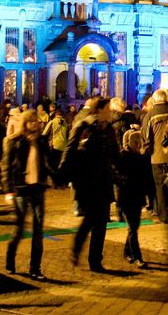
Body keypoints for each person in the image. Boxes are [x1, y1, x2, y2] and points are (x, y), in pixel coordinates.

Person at [61, 97, 119, 272]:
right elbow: (70, 149)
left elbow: (115, 153)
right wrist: (63, 173)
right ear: (99, 110)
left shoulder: (109, 129)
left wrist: (124, 170)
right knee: (91, 218)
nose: (110, 111)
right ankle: (76, 248)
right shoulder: (84, 126)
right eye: (108, 108)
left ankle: (95, 260)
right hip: (87, 179)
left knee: (101, 221)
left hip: (104, 180)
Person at [2, 109, 51, 279]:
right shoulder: (15, 141)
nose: (35, 123)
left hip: (38, 187)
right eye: (31, 121)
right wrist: (8, 190)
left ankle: (35, 268)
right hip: (21, 188)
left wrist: (55, 176)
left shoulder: (41, 141)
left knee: (38, 228)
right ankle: (10, 258)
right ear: (24, 123)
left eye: (36, 120)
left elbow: (47, 163)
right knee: (20, 228)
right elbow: (6, 167)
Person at [116, 129, 151, 268]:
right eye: (135, 141)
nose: (138, 143)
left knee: (134, 227)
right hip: (127, 197)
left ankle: (127, 251)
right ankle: (137, 256)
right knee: (132, 228)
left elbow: (146, 178)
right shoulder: (123, 157)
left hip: (137, 196)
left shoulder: (140, 158)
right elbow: (116, 175)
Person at [142, 89, 168, 221]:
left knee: (159, 186)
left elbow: (146, 136)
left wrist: (148, 151)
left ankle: (163, 215)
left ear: (154, 99)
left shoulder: (150, 115)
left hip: (157, 156)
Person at [41, 106, 69, 185]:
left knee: (54, 163)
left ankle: (55, 182)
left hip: (54, 145)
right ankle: (61, 181)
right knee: (61, 163)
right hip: (64, 145)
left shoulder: (52, 122)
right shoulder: (66, 123)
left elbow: (44, 133)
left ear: (56, 114)